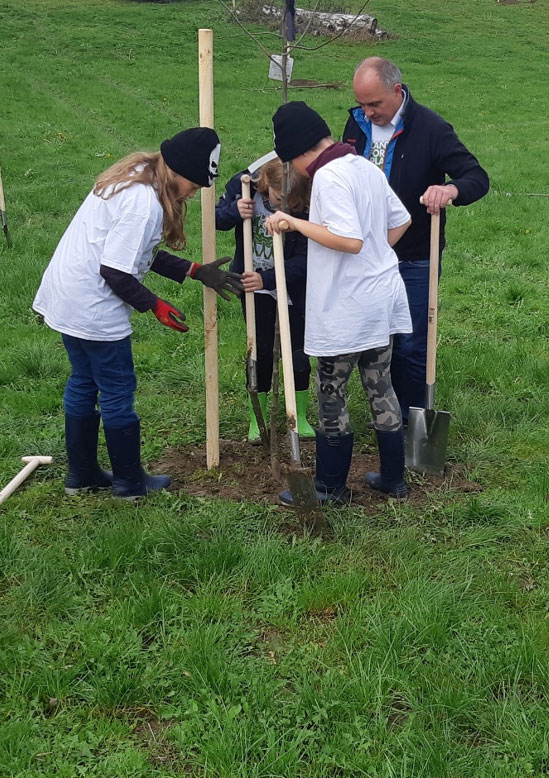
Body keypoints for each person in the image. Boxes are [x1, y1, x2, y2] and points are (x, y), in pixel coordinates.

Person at [32, 128, 242, 500]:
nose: (195, 192)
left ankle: (81, 475)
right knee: (116, 390)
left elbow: (136, 252)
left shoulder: (136, 176)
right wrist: (155, 305)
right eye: (194, 184)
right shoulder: (143, 203)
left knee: (83, 381)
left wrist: (192, 270)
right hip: (93, 305)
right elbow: (115, 270)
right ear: (178, 171)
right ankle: (130, 483)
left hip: (67, 296)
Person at [270, 101, 412, 505]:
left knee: (332, 391)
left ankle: (330, 487)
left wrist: (292, 222)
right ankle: (393, 480)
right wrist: (374, 262)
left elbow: (348, 241)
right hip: (381, 299)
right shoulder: (365, 166)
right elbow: (401, 221)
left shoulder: (330, 177)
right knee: (380, 385)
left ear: (296, 153)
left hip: (347, 308)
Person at [341, 57, 488, 424]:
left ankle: (411, 422)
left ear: (397, 90)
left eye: (374, 103)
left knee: (410, 343)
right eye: (361, 103)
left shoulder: (431, 128)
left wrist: (450, 188)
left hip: (415, 257)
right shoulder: (356, 125)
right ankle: (385, 418)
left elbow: (476, 176)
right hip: (363, 254)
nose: (368, 111)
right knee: (375, 341)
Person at [216, 156, 315, 440]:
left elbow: (307, 259)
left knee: (297, 351)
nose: (285, 205)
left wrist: (269, 278)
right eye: (280, 198)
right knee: (258, 351)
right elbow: (215, 218)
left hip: (292, 287)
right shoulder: (246, 190)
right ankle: (256, 419)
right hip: (253, 285)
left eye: (292, 201)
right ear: (265, 185)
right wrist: (235, 212)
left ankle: (300, 416)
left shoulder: (305, 206)